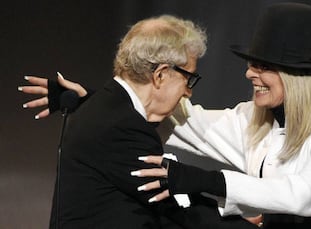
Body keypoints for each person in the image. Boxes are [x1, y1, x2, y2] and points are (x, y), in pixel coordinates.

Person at [20, 3, 311, 228]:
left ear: (297, 76)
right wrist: (95, 102)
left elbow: (300, 194)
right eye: (250, 65)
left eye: (262, 67)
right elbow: (185, 121)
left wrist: (204, 180)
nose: (248, 74)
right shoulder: (256, 120)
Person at [19, 15, 258, 229]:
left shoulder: (108, 109)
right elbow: (172, 207)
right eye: (189, 79)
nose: (188, 93)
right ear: (161, 74)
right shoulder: (125, 128)